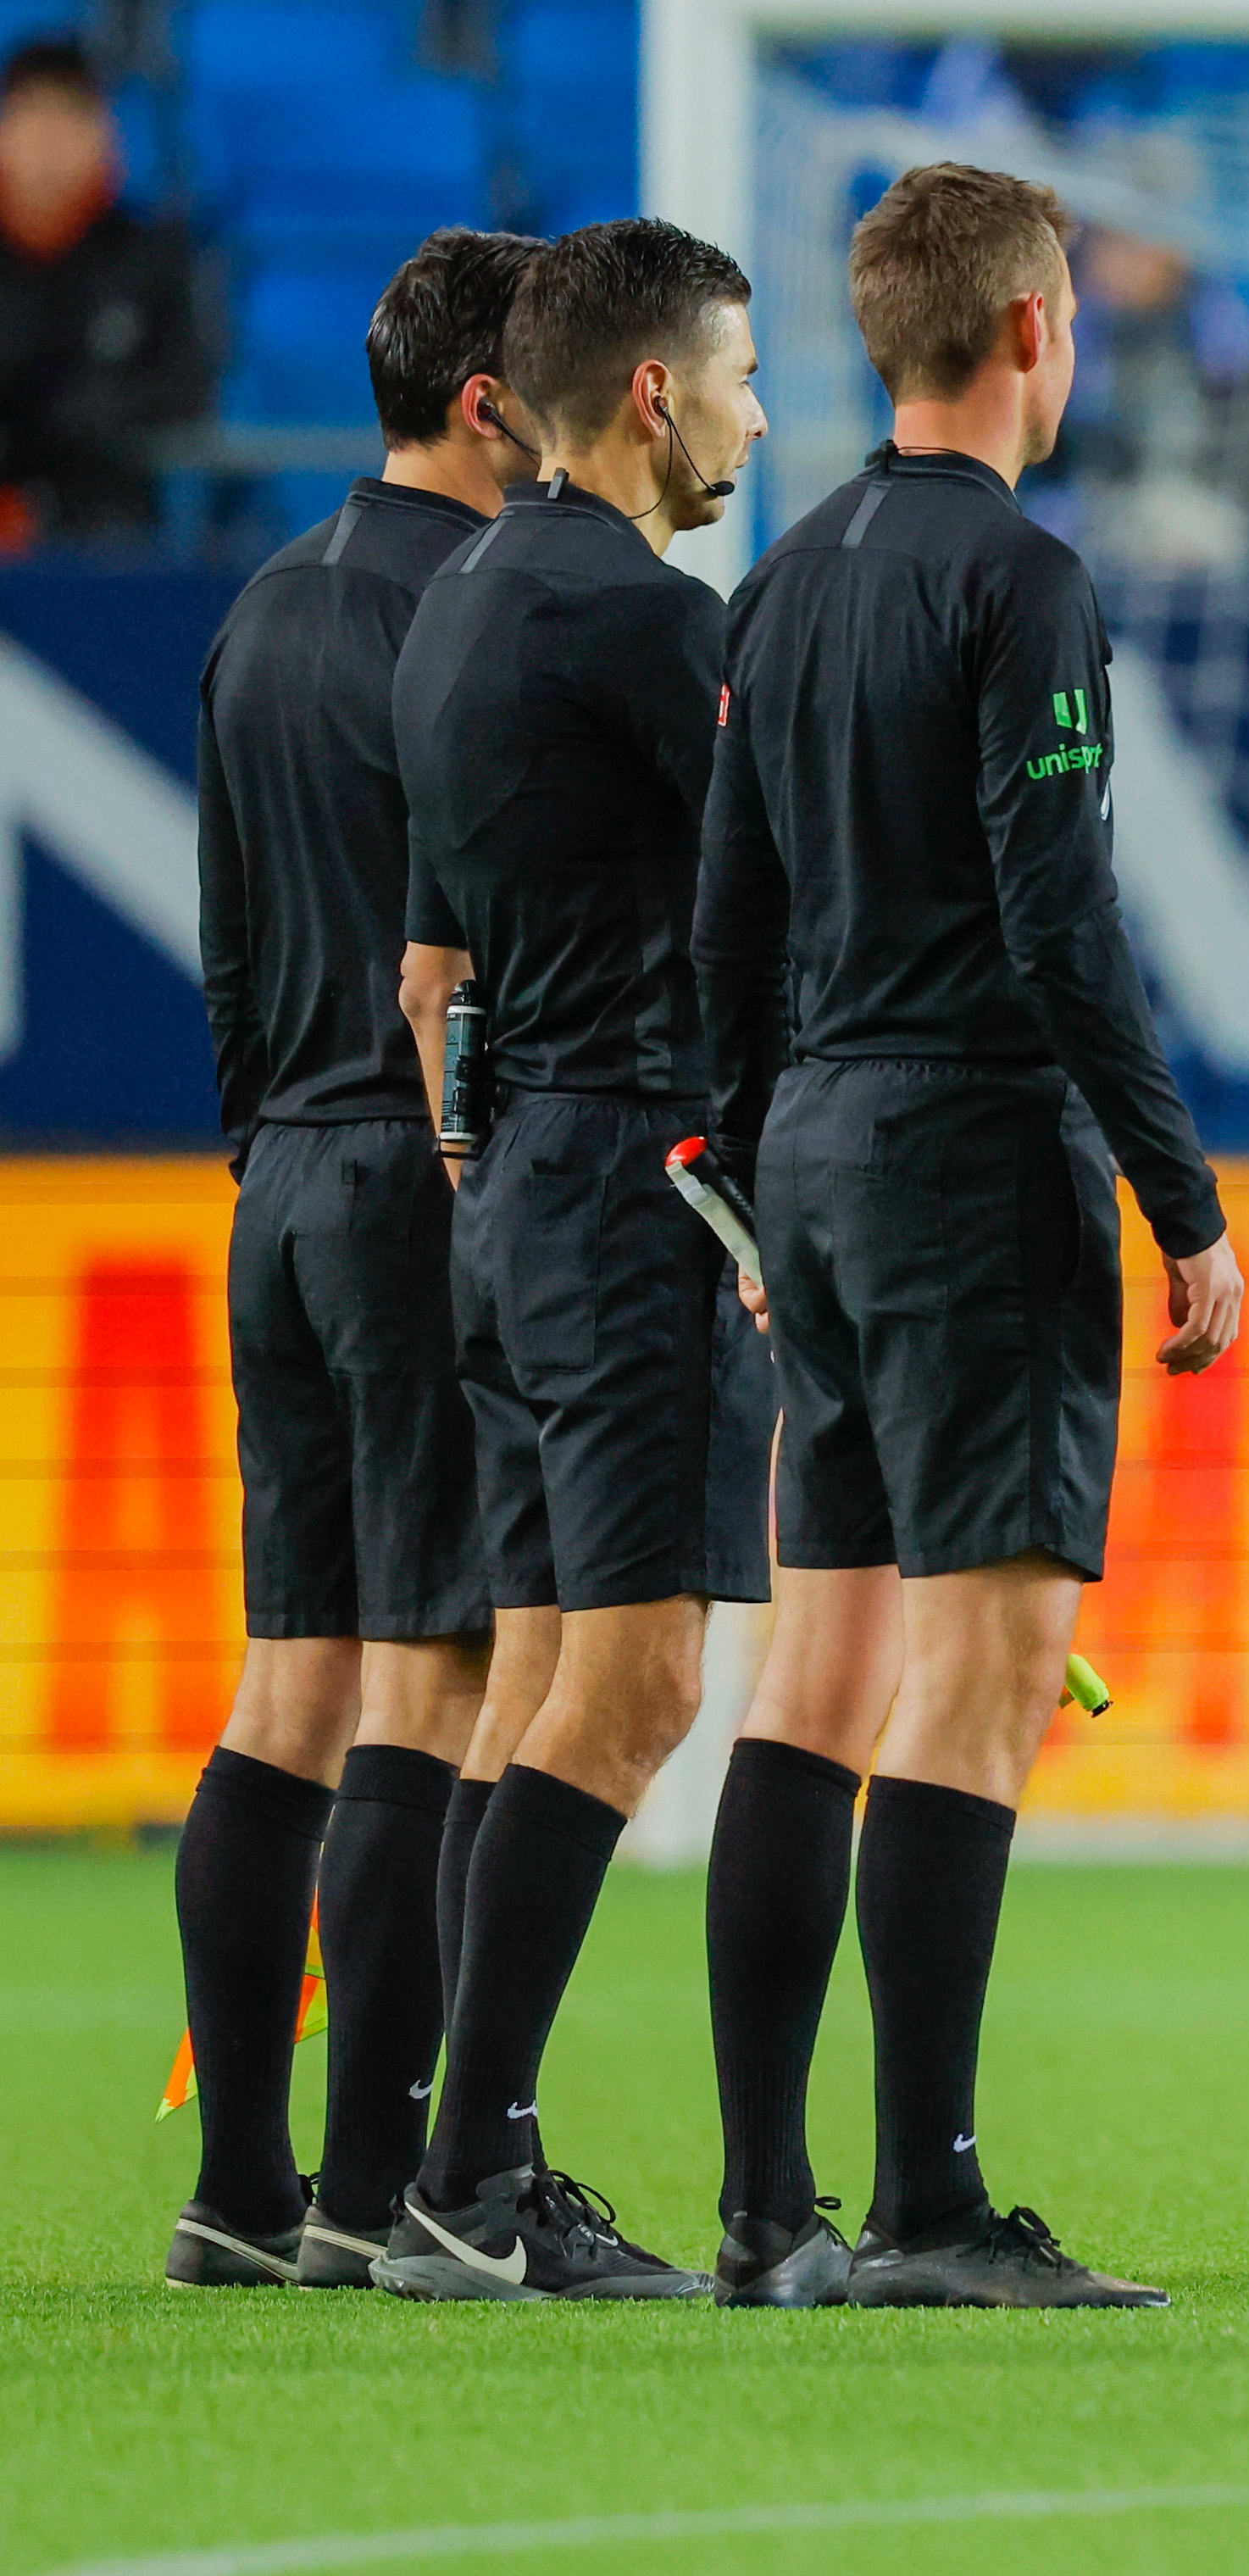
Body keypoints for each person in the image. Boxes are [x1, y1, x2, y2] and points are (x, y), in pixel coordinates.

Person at [695, 162, 1242, 2309]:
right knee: (987, 1671)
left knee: (817, 1671)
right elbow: (1059, 918)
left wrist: (744, 1179)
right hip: (966, 1154)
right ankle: (926, 2207)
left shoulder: (783, 580)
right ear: (1032, 331)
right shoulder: (1021, 580)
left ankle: (768, 2212)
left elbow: (728, 927)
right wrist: (1179, 1198)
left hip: (819, 1156)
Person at [372, 219, 774, 2302]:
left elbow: (431, 960)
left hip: (518, 1176)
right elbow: (778, 889)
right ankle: (468, 2177)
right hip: (627, 1177)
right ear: (651, 390)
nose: (756, 418)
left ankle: (460, 2165)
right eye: (741, 376)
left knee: (530, 1682)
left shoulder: (457, 599)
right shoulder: (640, 615)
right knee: (636, 1684)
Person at [163, 229, 544, 2291]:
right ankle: (384, 2187)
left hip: (285, 1182)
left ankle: (238, 2186)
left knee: (290, 1675)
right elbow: (493, 948)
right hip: (424, 1180)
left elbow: (229, 942)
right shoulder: (483, 614)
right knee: (439, 1678)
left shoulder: (266, 607)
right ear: (490, 404)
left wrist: (280, 1149)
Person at [0, 38, 207, 546]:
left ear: (106, 133)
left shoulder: (151, 258)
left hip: (109, 534)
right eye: (32, 113)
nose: (49, 139)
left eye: (71, 113)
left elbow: (189, 383)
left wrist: (88, 416)